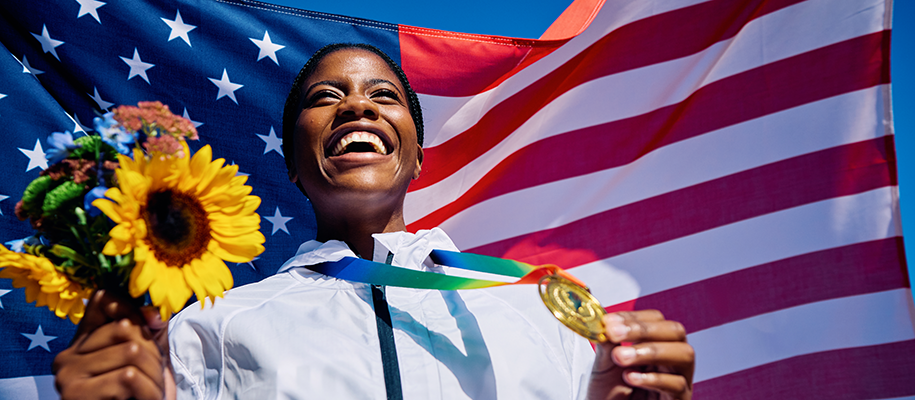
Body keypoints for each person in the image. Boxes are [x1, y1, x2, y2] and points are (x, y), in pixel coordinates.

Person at [53, 43, 694, 400]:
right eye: (325, 98)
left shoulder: (540, 313)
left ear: (416, 156)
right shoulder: (206, 327)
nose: (356, 103)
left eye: (383, 96)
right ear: (296, 168)